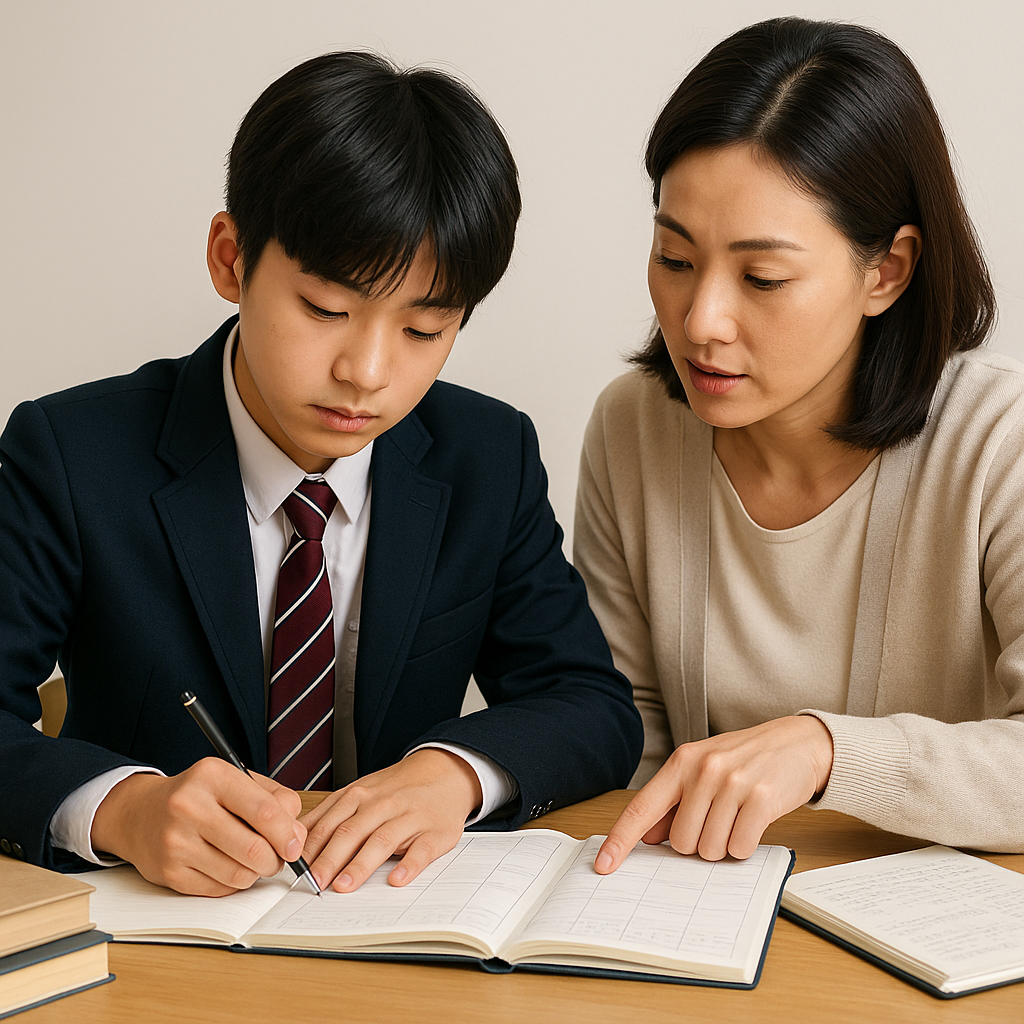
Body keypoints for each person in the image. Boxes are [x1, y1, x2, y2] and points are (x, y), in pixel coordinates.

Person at [0, 51, 642, 896]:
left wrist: (453, 773)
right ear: (231, 259)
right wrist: (124, 809)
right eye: (326, 310)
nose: (367, 372)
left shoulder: (488, 455)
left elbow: (589, 703)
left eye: (424, 330)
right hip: (156, 930)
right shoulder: (72, 450)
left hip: (385, 916)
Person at [573, 17, 1024, 876]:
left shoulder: (1001, 443)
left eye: (762, 278)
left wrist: (826, 751)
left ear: (885, 272)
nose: (701, 321)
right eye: (674, 258)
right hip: (698, 928)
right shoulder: (633, 428)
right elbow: (618, 735)